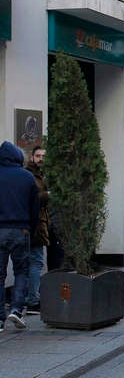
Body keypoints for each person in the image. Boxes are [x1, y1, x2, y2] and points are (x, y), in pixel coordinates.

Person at [0, 141, 39, 331]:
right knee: (21, 271)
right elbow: (35, 208)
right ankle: (16, 309)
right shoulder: (27, 177)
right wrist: (31, 228)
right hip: (21, 229)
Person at [24, 146, 49, 315]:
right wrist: (47, 195)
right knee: (37, 261)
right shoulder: (29, 175)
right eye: (38, 156)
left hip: (38, 223)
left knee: (31, 262)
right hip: (34, 224)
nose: (40, 158)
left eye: (43, 156)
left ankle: (30, 297)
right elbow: (31, 199)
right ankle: (32, 300)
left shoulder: (42, 175)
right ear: (32, 158)